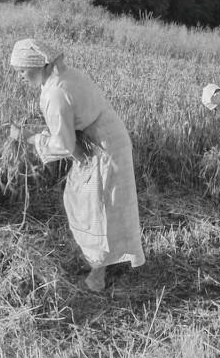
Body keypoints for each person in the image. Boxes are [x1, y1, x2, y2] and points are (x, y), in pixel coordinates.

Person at [8, 39, 145, 291]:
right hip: (107, 139)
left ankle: (98, 274)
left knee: (95, 207)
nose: (21, 78)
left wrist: (30, 137)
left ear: (38, 65)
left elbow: (63, 143)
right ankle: (103, 260)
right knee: (105, 204)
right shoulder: (67, 76)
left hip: (103, 149)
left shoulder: (54, 92)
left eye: (22, 71)